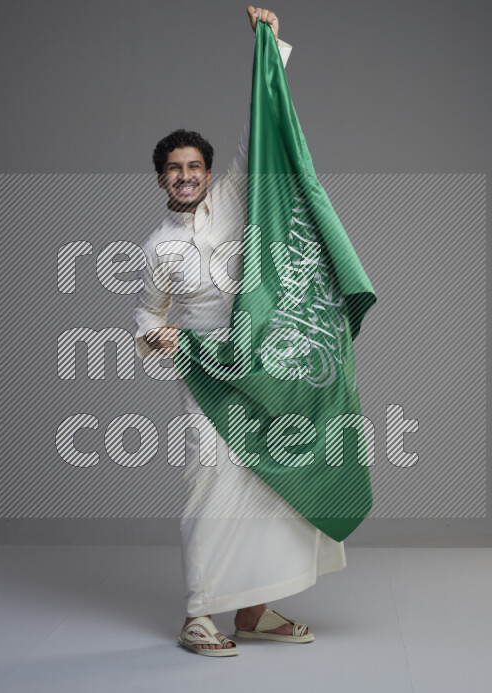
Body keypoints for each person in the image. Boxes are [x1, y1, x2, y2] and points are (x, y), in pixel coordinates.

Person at [133, 6, 346, 657]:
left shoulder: (231, 200)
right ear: (162, 177)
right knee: (208, 482)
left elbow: (264, 134)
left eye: (195, 165)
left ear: (207, 170)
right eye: (175, 169)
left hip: (258, 361)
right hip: (203, 376)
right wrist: (156, 335)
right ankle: (200, 613)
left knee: (263, 481)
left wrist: (271, 48)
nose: (187, 175)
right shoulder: (155, 247)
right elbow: (146, 314)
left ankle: (252, 611)